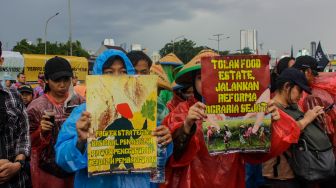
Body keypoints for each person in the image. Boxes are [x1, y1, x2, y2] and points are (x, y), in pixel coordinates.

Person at [161, 50, 302, 188]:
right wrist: (186, 126)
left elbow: (256, 154)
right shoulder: (182, 111)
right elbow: (170, 155)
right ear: (192, 81)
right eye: (199, 77)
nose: (206, 82)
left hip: (231, 179)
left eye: (212, 76)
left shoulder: (240, 109)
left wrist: (269, 123)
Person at [55, 49, 172, 188]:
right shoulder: (83, 113)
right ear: (98, 76)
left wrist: (164, 141)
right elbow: (62, 161)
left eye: (122, 71)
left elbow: (159, 156)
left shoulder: (143, 110)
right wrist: (80, 141)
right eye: (109, 72)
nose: (117, 77)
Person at [263, 68, 334, 188]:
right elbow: (284, 134)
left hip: (296, 174)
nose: (301, 96)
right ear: (287, 86)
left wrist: (315, 118)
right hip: (280, 177)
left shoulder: (293, 107)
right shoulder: (270, 108)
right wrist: (307, 119)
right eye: (299, 90)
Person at [27, 56, 85, 188]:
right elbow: (27, 142)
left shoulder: (81, 103)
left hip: (76, 167)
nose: (62, 85)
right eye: (57, 80)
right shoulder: (36, 107)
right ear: (46, 80)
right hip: (47, 172)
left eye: (66, 79)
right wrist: (41, 132)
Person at [0, 40, 31, 188]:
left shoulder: (13, 96)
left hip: (16, 181)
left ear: (1, 61)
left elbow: (23, 135)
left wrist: (17, 164)